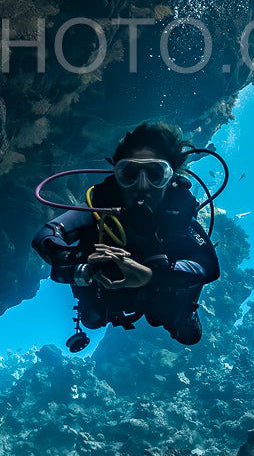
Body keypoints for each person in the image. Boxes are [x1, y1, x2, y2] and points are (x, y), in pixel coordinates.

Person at [32, 121, 220, 346]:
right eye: (130, 173)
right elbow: (47, 234)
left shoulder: (178, 213)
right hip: (109, 290)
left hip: (161, 287)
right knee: (92, 319)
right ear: (118, 174)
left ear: (170, 178)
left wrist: (150, 275)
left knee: (188, 335)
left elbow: (209, 266)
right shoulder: (100, 205)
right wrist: (80, 262)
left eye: (155, 173)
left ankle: (181, 313)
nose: (142, 185)